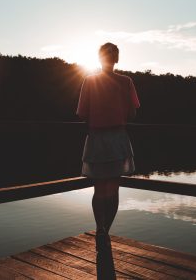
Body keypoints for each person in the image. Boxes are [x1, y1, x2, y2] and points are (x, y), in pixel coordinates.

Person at [76, 42, 140, 252]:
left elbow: (83, 114)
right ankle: (105, 230)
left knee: (99, 188)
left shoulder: (89, 81)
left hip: (97, 138)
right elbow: (132, 114)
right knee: (113, 189)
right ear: (117, 59)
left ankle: (100, 228)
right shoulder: (126, 81)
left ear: (99, 58)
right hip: (117, 138)